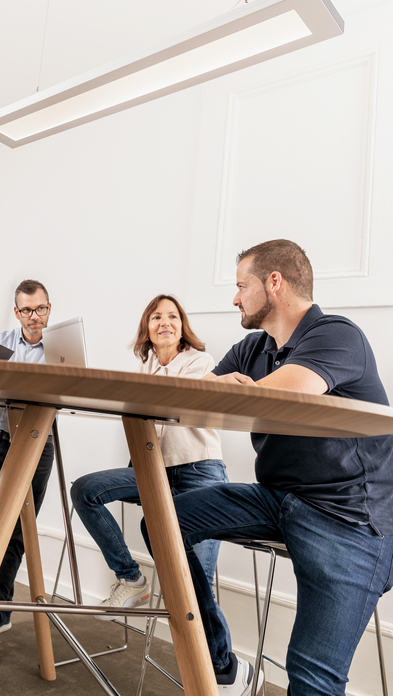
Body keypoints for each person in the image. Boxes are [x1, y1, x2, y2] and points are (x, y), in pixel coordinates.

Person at [152, 240, 393, 696]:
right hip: (279, 499)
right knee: (163, 523)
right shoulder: (253, 347)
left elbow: (288, 394)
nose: (236, 298)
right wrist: (212, 384)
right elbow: (196, 400)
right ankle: (223, 664)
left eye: (242, 286)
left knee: (309, 676)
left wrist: (221, 390)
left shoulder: (337, 334)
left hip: (349, 518)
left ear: (274, 283)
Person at [71, 295, 230, 644]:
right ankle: (131, 579)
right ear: (147, 327)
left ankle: (222, 669)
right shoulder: (143, 369)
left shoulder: (201, 362)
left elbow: (174, 404)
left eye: (173, 316)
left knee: (193, 584)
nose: (165, 323)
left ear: (182, 326)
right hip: (153, 470)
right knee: (85, 490)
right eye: (156, 317)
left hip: (198, 472)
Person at [0, 279, 55, 655]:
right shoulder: (0, 343)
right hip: (0, 440)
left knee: (19, 532)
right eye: (26, 310)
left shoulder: (61, 351)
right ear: (16, 311)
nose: (33, 316)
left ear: (49, 309)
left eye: (39, 309)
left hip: (39, 443)